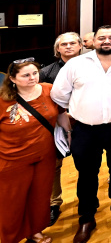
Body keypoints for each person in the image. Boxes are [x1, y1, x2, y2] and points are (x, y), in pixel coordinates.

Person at [51, 26, 111, 243]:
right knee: (86, 175)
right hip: (85, 128)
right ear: (93, 41)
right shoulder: (76, 64)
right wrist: (80, 109)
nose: (107, 41)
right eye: (102, 37)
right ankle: (86, 218)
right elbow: (59, 94)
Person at [0, 59, 66, 243]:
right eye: (26, 75)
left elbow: (61, 114)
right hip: (12, 159)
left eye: (35, 73)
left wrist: (68, 135)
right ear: (12, 78)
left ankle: (35, 232)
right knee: (12, 202)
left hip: (45, 156)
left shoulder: (49, 90)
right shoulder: (3, 100)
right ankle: (9, 238)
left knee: (40, 197)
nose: (32, 78)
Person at [39, 32, 82, 226]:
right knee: (55, 165)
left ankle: (86, 200)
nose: (68, 46)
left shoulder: (93, 67)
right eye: (64, 44)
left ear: (80, 46)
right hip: (56, 125)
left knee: (86, 164)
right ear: (58, 49)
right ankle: (54, 203)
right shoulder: (46, 72)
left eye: (73, 43)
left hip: (85, 122)